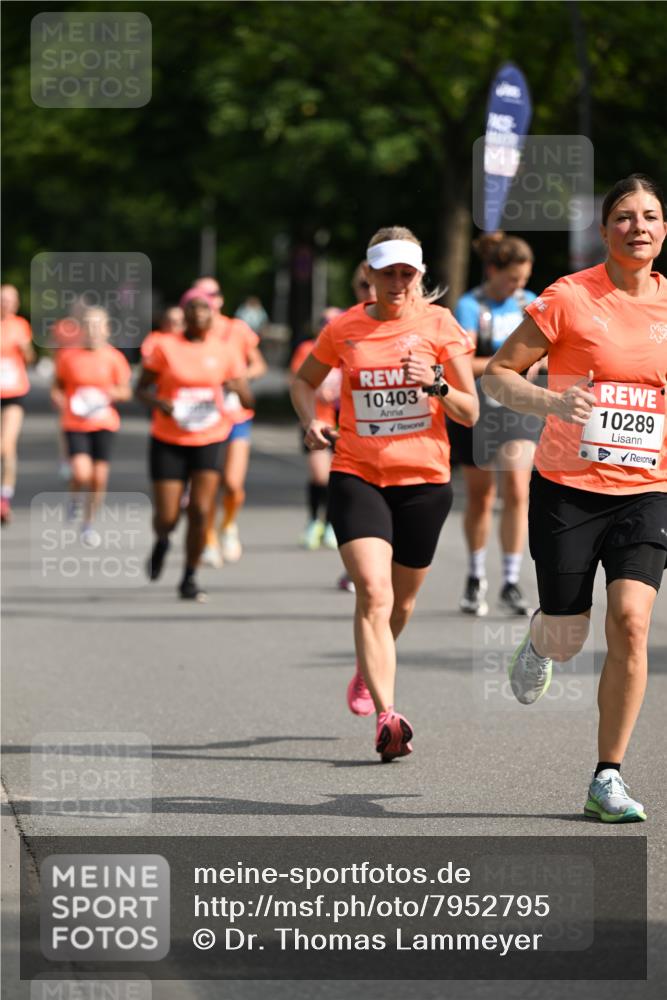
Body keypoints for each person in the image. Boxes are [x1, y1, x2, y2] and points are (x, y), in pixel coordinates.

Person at [482, 174, 667, 822]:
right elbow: (499, 376)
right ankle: (540, 642)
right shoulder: (567, 297)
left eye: (649, 216)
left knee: (631, 623)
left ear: (663, 230)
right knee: (567, 634)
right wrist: (554, 402)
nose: (636, 226)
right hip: (567, 485)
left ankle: (606, 776)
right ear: (604, 230)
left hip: (647, 488)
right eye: (623, 216)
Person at [291, 227, 477, 761]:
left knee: (402, 601)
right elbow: (303, 383)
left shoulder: (440, 325)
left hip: (424, 482)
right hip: (357, 473)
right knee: (373, 593)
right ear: (368, 274)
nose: (397, 282)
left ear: (419, 275)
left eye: (407, 273)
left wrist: (436, 382)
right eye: (387, 272)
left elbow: (470, 410)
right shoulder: (343, 328)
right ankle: (387, 716)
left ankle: (368, 665)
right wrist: (312, 421)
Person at [136, 290, 253, 601]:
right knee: (168, 516)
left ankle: (190, 575)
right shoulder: (165, 347)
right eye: (195, 310)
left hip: (210, 436)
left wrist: (239, 387)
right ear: (184, 316)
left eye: (206, 311)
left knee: (201, 510)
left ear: (213, 318)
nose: (200, 316)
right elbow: (140, 389)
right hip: (169, 438)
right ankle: (162, 540)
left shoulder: (225, 351)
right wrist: (159, 402)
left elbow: (248, 401)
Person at [448, 233, 542, 617]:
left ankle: (511, 580)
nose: (518, 287)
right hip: (480, 411)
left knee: (519, 490)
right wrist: (506, 369)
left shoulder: (530, 304)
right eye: (511, 279)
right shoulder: (472, 306)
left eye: (523, 279)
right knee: (481, 496)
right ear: (492, 270)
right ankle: (475, 576)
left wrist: (534, 365)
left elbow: (548, 351)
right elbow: (461, 362)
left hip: (519, 411)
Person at [193, 277, 267, 568]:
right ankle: (209, 538)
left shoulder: (237, 329)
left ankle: (228, 525)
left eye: (212, 293)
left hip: (236, 414)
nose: (207, 299)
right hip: (204, 417)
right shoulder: (191, 334)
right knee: (208, 484)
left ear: (220, 299)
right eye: (200, 294)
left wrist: (240, 379)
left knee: (233, 484)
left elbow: (258, 364)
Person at [51, 307, 132, 542]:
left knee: (99, 478)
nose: (94, 331)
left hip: (104, 422)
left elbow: (126, 391)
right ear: (82, 329)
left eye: (98, 326)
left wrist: (114, 392)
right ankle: (74, 498)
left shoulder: (114, 358)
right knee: (81, 472)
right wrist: (57, 395)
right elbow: (57, 385)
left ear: (106, 329)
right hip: (75, 421)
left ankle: (88, 523)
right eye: (89, 325)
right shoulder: (68, 356)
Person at [288, 308, 343, 551]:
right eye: (324, 321)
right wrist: (317, 391)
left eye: (333, 321)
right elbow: (299, 380)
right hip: (317, 420)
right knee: (320, 475)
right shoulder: (307, 349)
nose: (328, 325)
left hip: (343, 421)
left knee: (337, 477)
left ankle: (331, 524)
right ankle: (313, 521)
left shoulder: (351, 348)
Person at [0, 284, 35, 524]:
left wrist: (26, 349)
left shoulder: (21, 325)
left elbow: (31, 360)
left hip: (13, 391)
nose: (6, 304)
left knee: (6, 444)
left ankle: (4, 498)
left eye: (11, 300)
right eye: (3, 299)